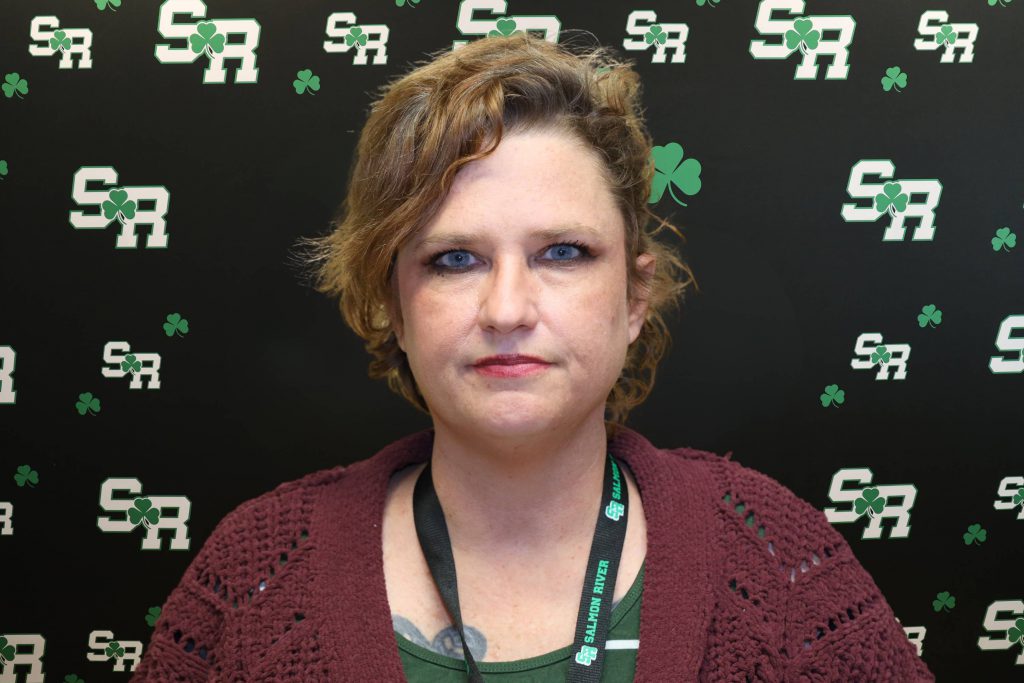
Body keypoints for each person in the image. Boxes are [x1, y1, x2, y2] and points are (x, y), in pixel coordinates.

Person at [131, 32, 935, 682]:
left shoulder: (778, 558)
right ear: (391, 305)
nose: (508, 308)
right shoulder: (255, 574)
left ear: (632, 299)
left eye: (562, 252)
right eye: (454, 259)